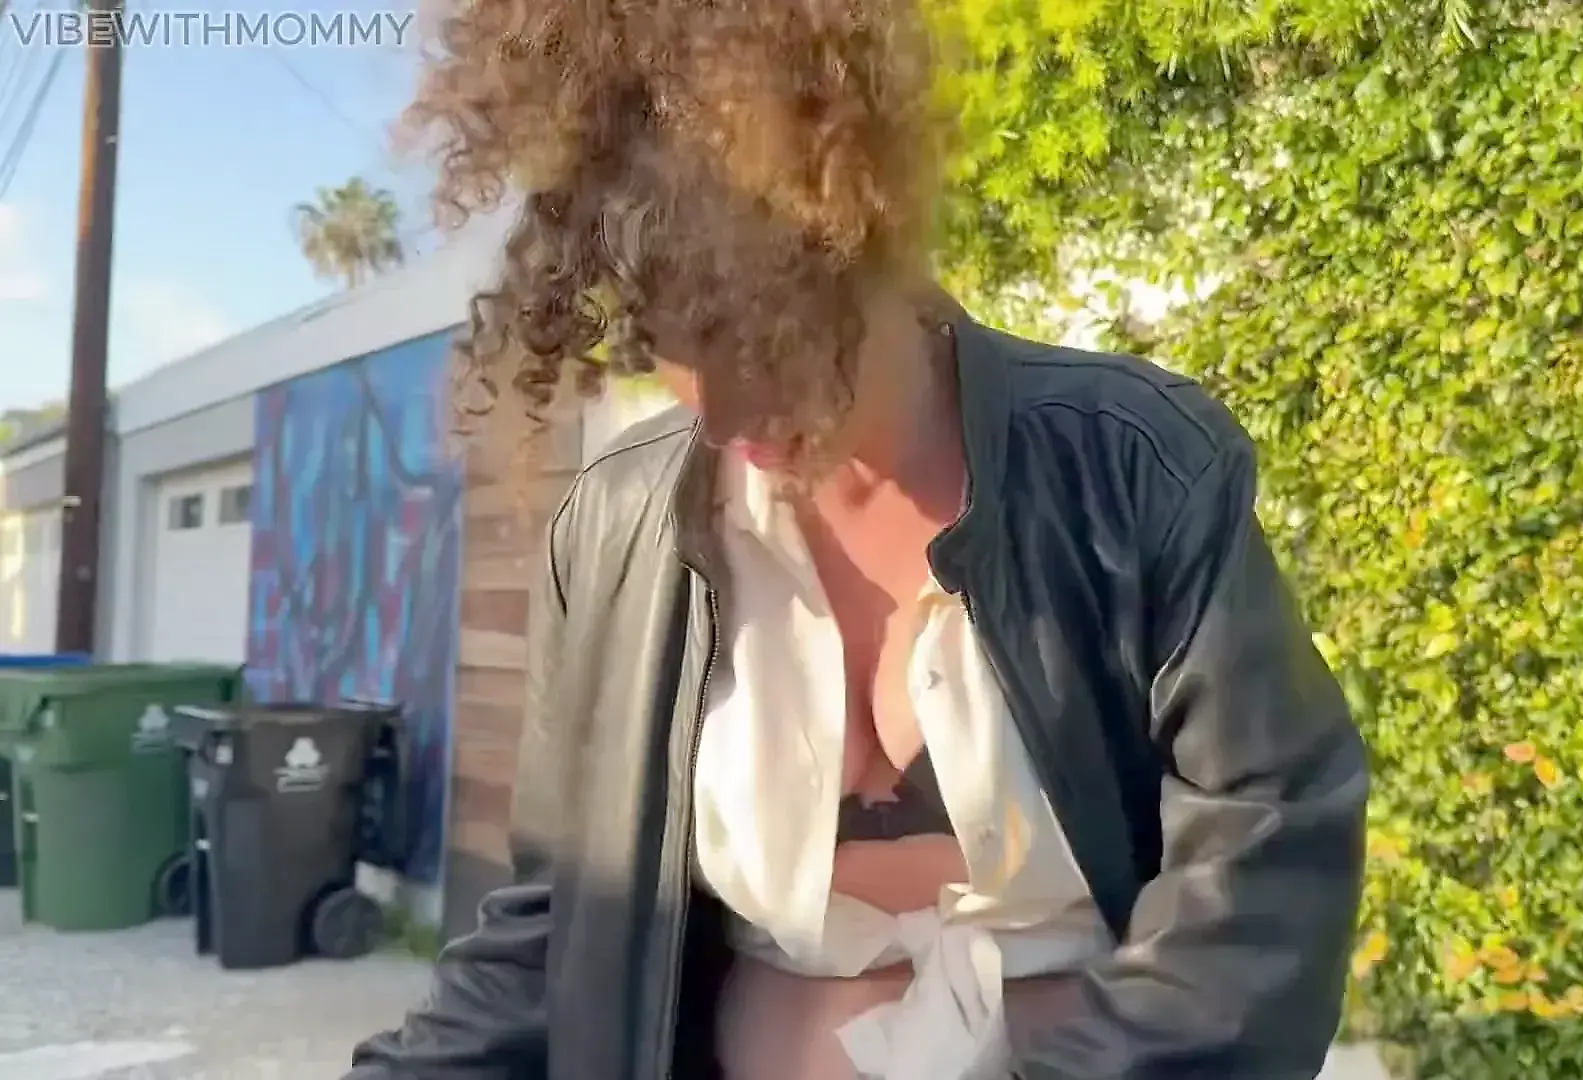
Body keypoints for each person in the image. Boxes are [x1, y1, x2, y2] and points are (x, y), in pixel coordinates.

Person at [347, 1, 1368, 1077]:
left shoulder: (1136, 464)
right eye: (664, 341)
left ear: (864, 225)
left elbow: (1262, 872)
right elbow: (556, 932)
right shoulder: (612, 531)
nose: (721, 411)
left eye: (755, 331)